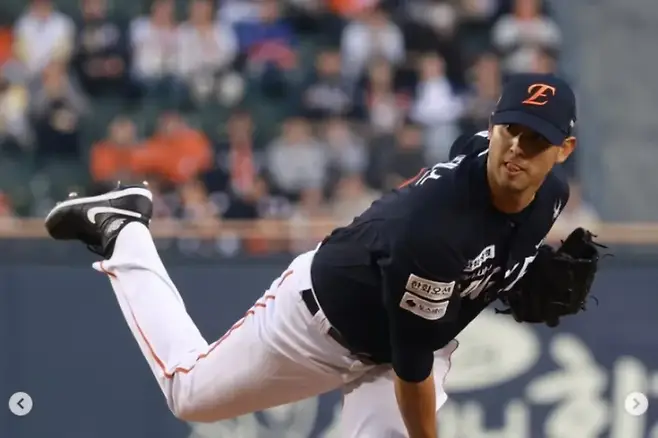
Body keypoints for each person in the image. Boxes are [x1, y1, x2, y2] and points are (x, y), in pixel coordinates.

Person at [45, 73, 580, 437]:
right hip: (316, 325)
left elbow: (467, 155)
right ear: (494, 125)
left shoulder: (548, 196)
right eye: (511, 130)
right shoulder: (432, 232)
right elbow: (412, 365)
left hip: (398, 340)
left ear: (564, 151)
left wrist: (520, 269)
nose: (517, 147)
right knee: (188, 395)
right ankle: (123, 230)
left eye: (536, 139)